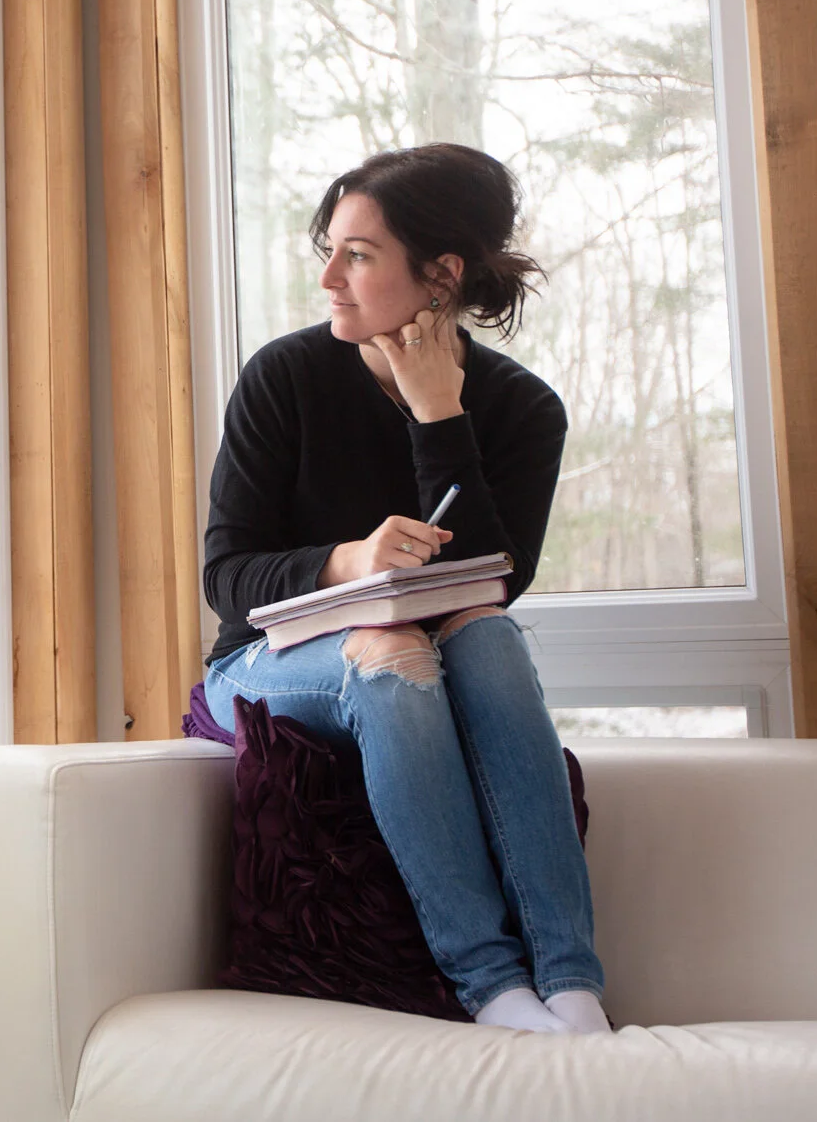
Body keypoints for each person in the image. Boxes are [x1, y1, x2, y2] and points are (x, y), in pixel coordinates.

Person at [200, 142, 609, 1035]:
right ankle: (493, 985)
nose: (328, 279)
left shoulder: (523, 410)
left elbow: (493, 586)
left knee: (482, 635)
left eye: (357, 254)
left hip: (446, 651)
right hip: (266, 665)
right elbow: (226, 580)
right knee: (393, 646)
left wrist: (439, 415)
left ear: (441, 273)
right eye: (330, 249)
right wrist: (351, 561)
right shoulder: (285, 377)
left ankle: (573, 986)